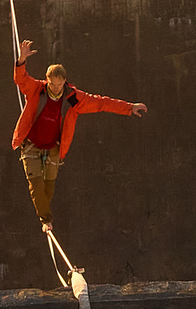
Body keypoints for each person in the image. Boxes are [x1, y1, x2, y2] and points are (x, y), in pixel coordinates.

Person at [10, 37, 145, 225]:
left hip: (53, 147)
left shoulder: (72, 98)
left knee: (49, 186)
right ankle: (45, 220)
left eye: (59, 84)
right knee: (36, 184)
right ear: (46, 81)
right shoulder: (36, 90)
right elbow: (21, 80)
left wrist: (129, 108)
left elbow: (100, 103)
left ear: (64, 81)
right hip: (31, 144)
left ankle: (44, 214)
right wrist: (22, 60)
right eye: (52, 84)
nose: (56, 89)